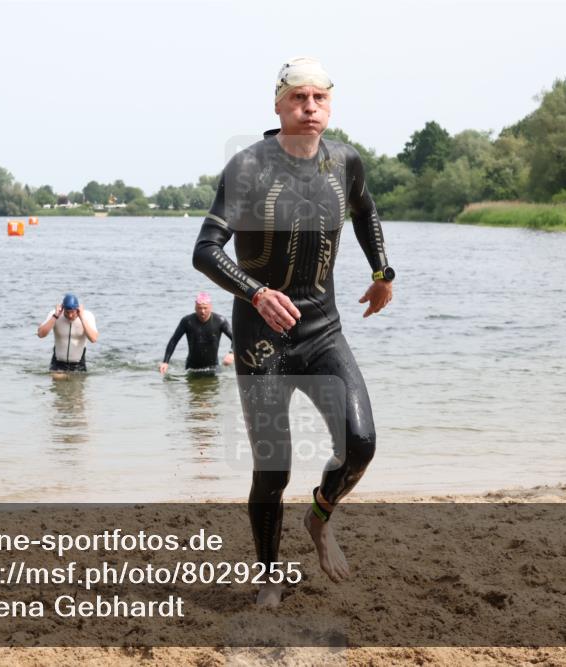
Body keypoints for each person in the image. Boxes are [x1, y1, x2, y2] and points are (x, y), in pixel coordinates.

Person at [192, 57, 395, 606]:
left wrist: (382, 273)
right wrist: (255, 292)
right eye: (298, 99)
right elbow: (205, 251)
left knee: (361, 443)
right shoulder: (249, 167)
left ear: (330, 104)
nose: (310, 108)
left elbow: (365, 210)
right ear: (278, 105)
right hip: (262, 337)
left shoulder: (345, 161)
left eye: (320, 99)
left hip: (323, 329)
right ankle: (267, 575)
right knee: (273, 467)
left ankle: (321, 516)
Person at [159, 292, 235, 375]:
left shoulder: (220, 321)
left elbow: (235, 338)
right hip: (192, 368)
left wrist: (232, 353)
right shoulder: (187, 321)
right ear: (195, 307)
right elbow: (174, 340)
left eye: (205, 308)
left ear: (210, 307)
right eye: (199, 308)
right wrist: (165, 362)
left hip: (213, 368)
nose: (202, 311)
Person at [37, 293, 99, 373]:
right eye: (67, 312)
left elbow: (93, 339)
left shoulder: (87, 316)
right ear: (63, 309)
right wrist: (55, 316)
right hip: (57, 363)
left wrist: (82, 318)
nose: (70, 315)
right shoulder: (55, 315)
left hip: (79, 364)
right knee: (58, 378)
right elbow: (40, 334)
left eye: (72, 312)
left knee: (77, 383)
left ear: (77, 309)